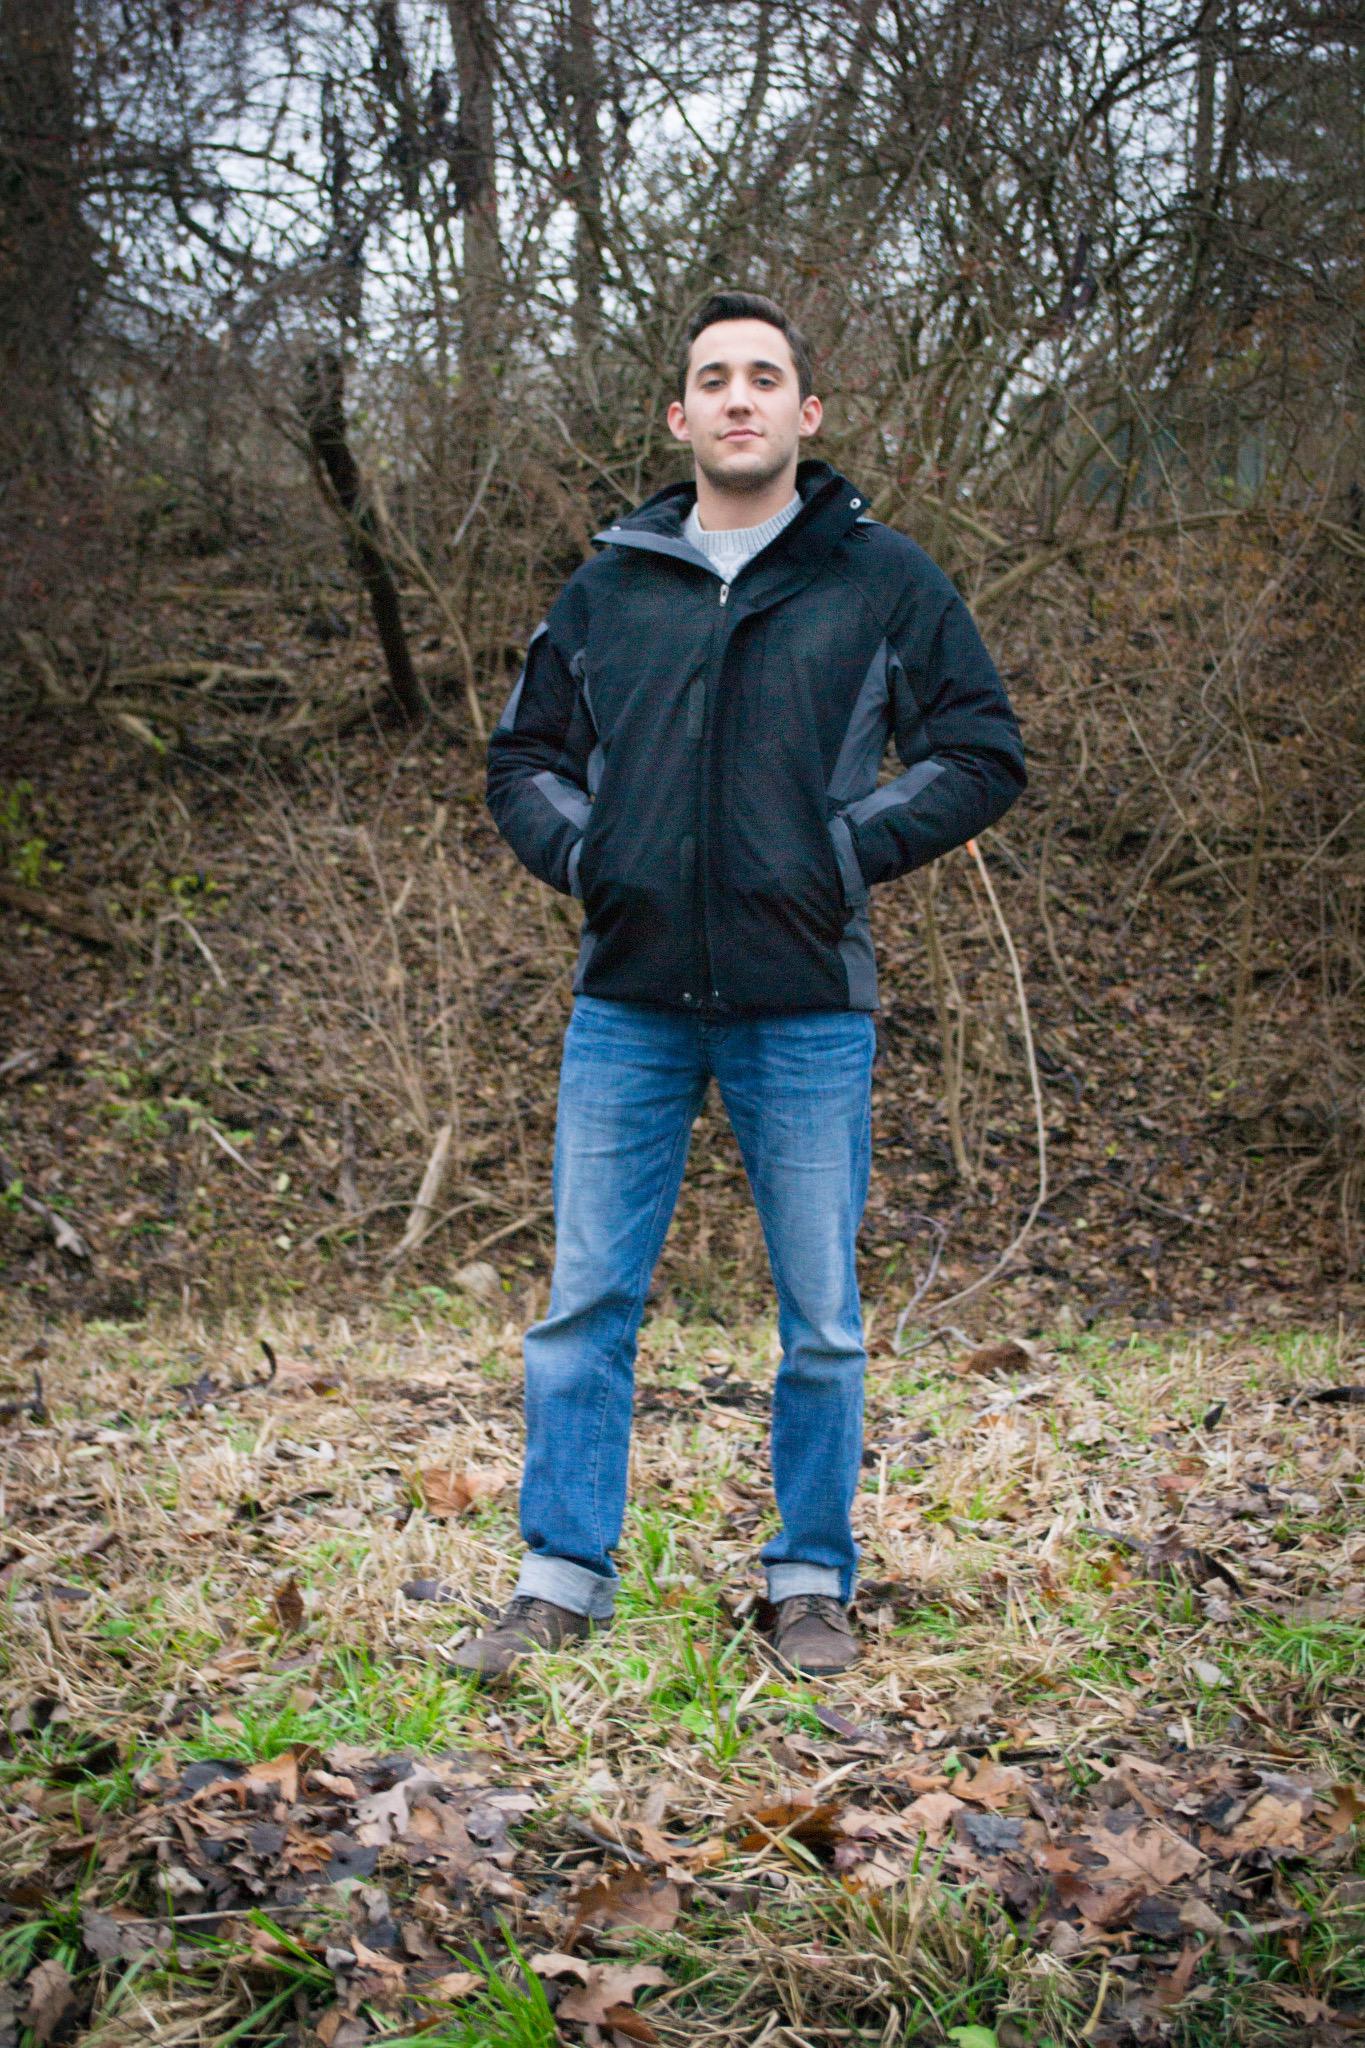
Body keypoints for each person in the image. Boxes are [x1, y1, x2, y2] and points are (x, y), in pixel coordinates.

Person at [456, 290, 1025, 1681]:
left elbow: (980, 748)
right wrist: (594, 858)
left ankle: (809, 1579)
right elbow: (523, 759)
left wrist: (838, 854)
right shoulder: (610, 584)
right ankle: (558, 1582)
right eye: (713, 378)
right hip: (629, 1002)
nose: (738, 398)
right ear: (679, 416)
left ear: (804, 412)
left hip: (805, 1001)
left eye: (764, 377)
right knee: (583, 1308)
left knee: (821, 1321)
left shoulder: (878, 577)